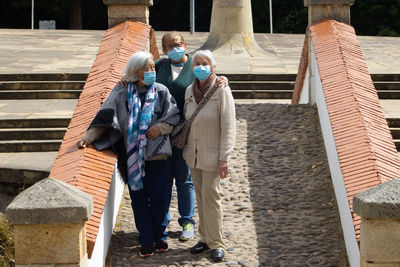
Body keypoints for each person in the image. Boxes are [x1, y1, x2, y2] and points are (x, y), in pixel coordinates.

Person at [77, 51, 180, 258]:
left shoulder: (161, 91)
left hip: (158, 156)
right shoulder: (122, 92)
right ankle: (146, 240)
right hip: (132, 158)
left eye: (153, 68)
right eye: (148, 68)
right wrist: (88, 137)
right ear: (136, 71)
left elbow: (174, 116)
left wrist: (160, 128)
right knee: (139, 200)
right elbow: (106, 117)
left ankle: (160, 235)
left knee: (160, 199)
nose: (152, 71)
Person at [154, 32, 229, 241]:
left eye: (177, 44)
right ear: (164, 49)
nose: (174, 48)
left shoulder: (196, 66)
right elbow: (138, 74)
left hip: (186, 134)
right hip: (160, 134)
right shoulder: (160, 66)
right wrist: (125, 82)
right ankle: (163, 222)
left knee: (184, 179)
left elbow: (211, 79)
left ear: (185, 44)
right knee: (163, 180)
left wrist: (224, 78)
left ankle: (187, 221)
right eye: (169, 46)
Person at [183, 50, 236, 262]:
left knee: (211, 197)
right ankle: (204, 238)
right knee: (200, 196)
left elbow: (229, 126)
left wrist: (225, 157)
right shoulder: (189, 89)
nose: (201, 66)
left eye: (205, 63)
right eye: (197, 63)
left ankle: (216, 242)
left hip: (213, 156)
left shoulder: (222, 90)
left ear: (212, 67)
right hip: (193, 155)